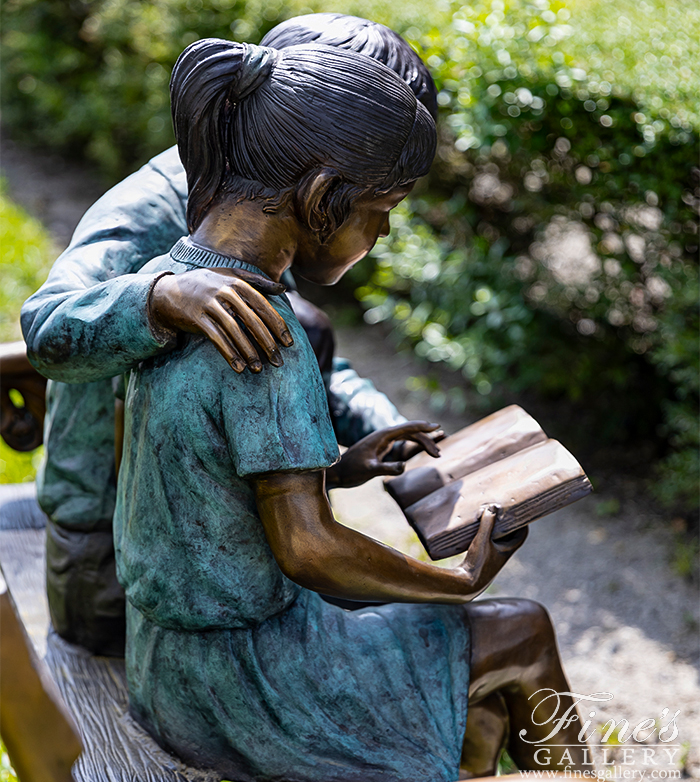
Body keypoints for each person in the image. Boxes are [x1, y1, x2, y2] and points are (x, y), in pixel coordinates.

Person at [114, 38, 589, 782]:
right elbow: (308, 550)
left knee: (476, 687)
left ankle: (462, 776)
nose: (385, 235)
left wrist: (343, 461)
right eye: (381, 211)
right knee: (519, 628)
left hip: (164, 660)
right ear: (320, 194)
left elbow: (199, 474)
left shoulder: (169, 286)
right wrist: (458, 580)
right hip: (246, 689)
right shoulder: (267, 337)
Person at [18, 14, 439, 657]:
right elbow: (47, 327)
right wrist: (159, 296)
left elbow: (304, 353)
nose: (378, 230)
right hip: (119, 567)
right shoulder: (161, 211)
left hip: (224, 548)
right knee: (436, 640)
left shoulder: (267, 209)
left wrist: (399, 433)